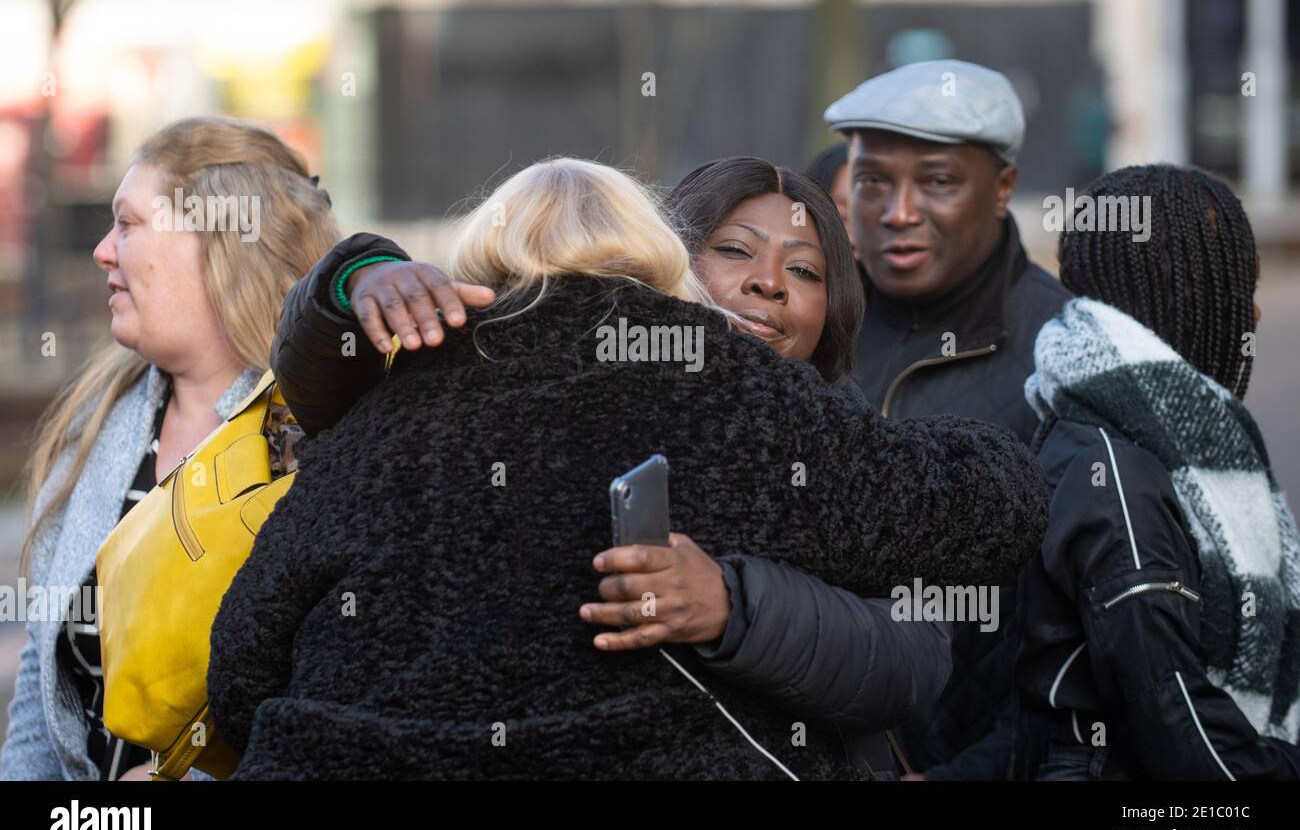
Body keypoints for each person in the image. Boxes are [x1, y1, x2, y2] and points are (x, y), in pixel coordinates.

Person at [206, 157, 1048, 779]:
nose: (765, 289)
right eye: (737, 255)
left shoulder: (381, 414)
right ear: (668, 254)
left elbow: (240, 671)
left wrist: (733, 604)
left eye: (800, 270)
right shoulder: (734, 391)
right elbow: (994, 504)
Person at [0, 117, 340, 781]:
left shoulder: (327, 440)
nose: (102, 250)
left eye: (127, 224)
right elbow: (42, 702)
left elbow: (348, 707)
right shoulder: (92, 428)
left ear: (217, 245)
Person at [823, 59, 1072, 779]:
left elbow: (1094, 640)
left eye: (936, 181)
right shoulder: (803, 328)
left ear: (1002, 190)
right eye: (873, 181)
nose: (898, 211)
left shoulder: (1067, 350)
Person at [1014, 164, 1300, 780]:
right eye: (1234, 289)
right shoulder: (1116, 474)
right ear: (1183, 302)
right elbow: (1179, 726)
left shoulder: (1108, 433)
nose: (1251, 315)